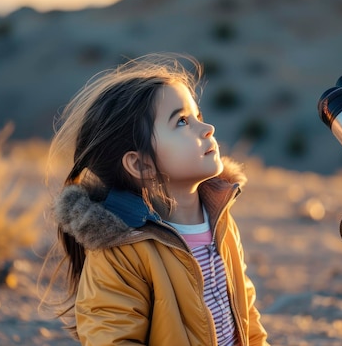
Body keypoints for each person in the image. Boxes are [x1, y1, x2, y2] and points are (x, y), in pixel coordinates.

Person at [43, 53, 269, 346]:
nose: (207, 128)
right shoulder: (121, 250)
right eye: (182, 122)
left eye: (198, 116)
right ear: (140, 165)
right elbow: (114, 337)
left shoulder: (219, 216)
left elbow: (246, 313)